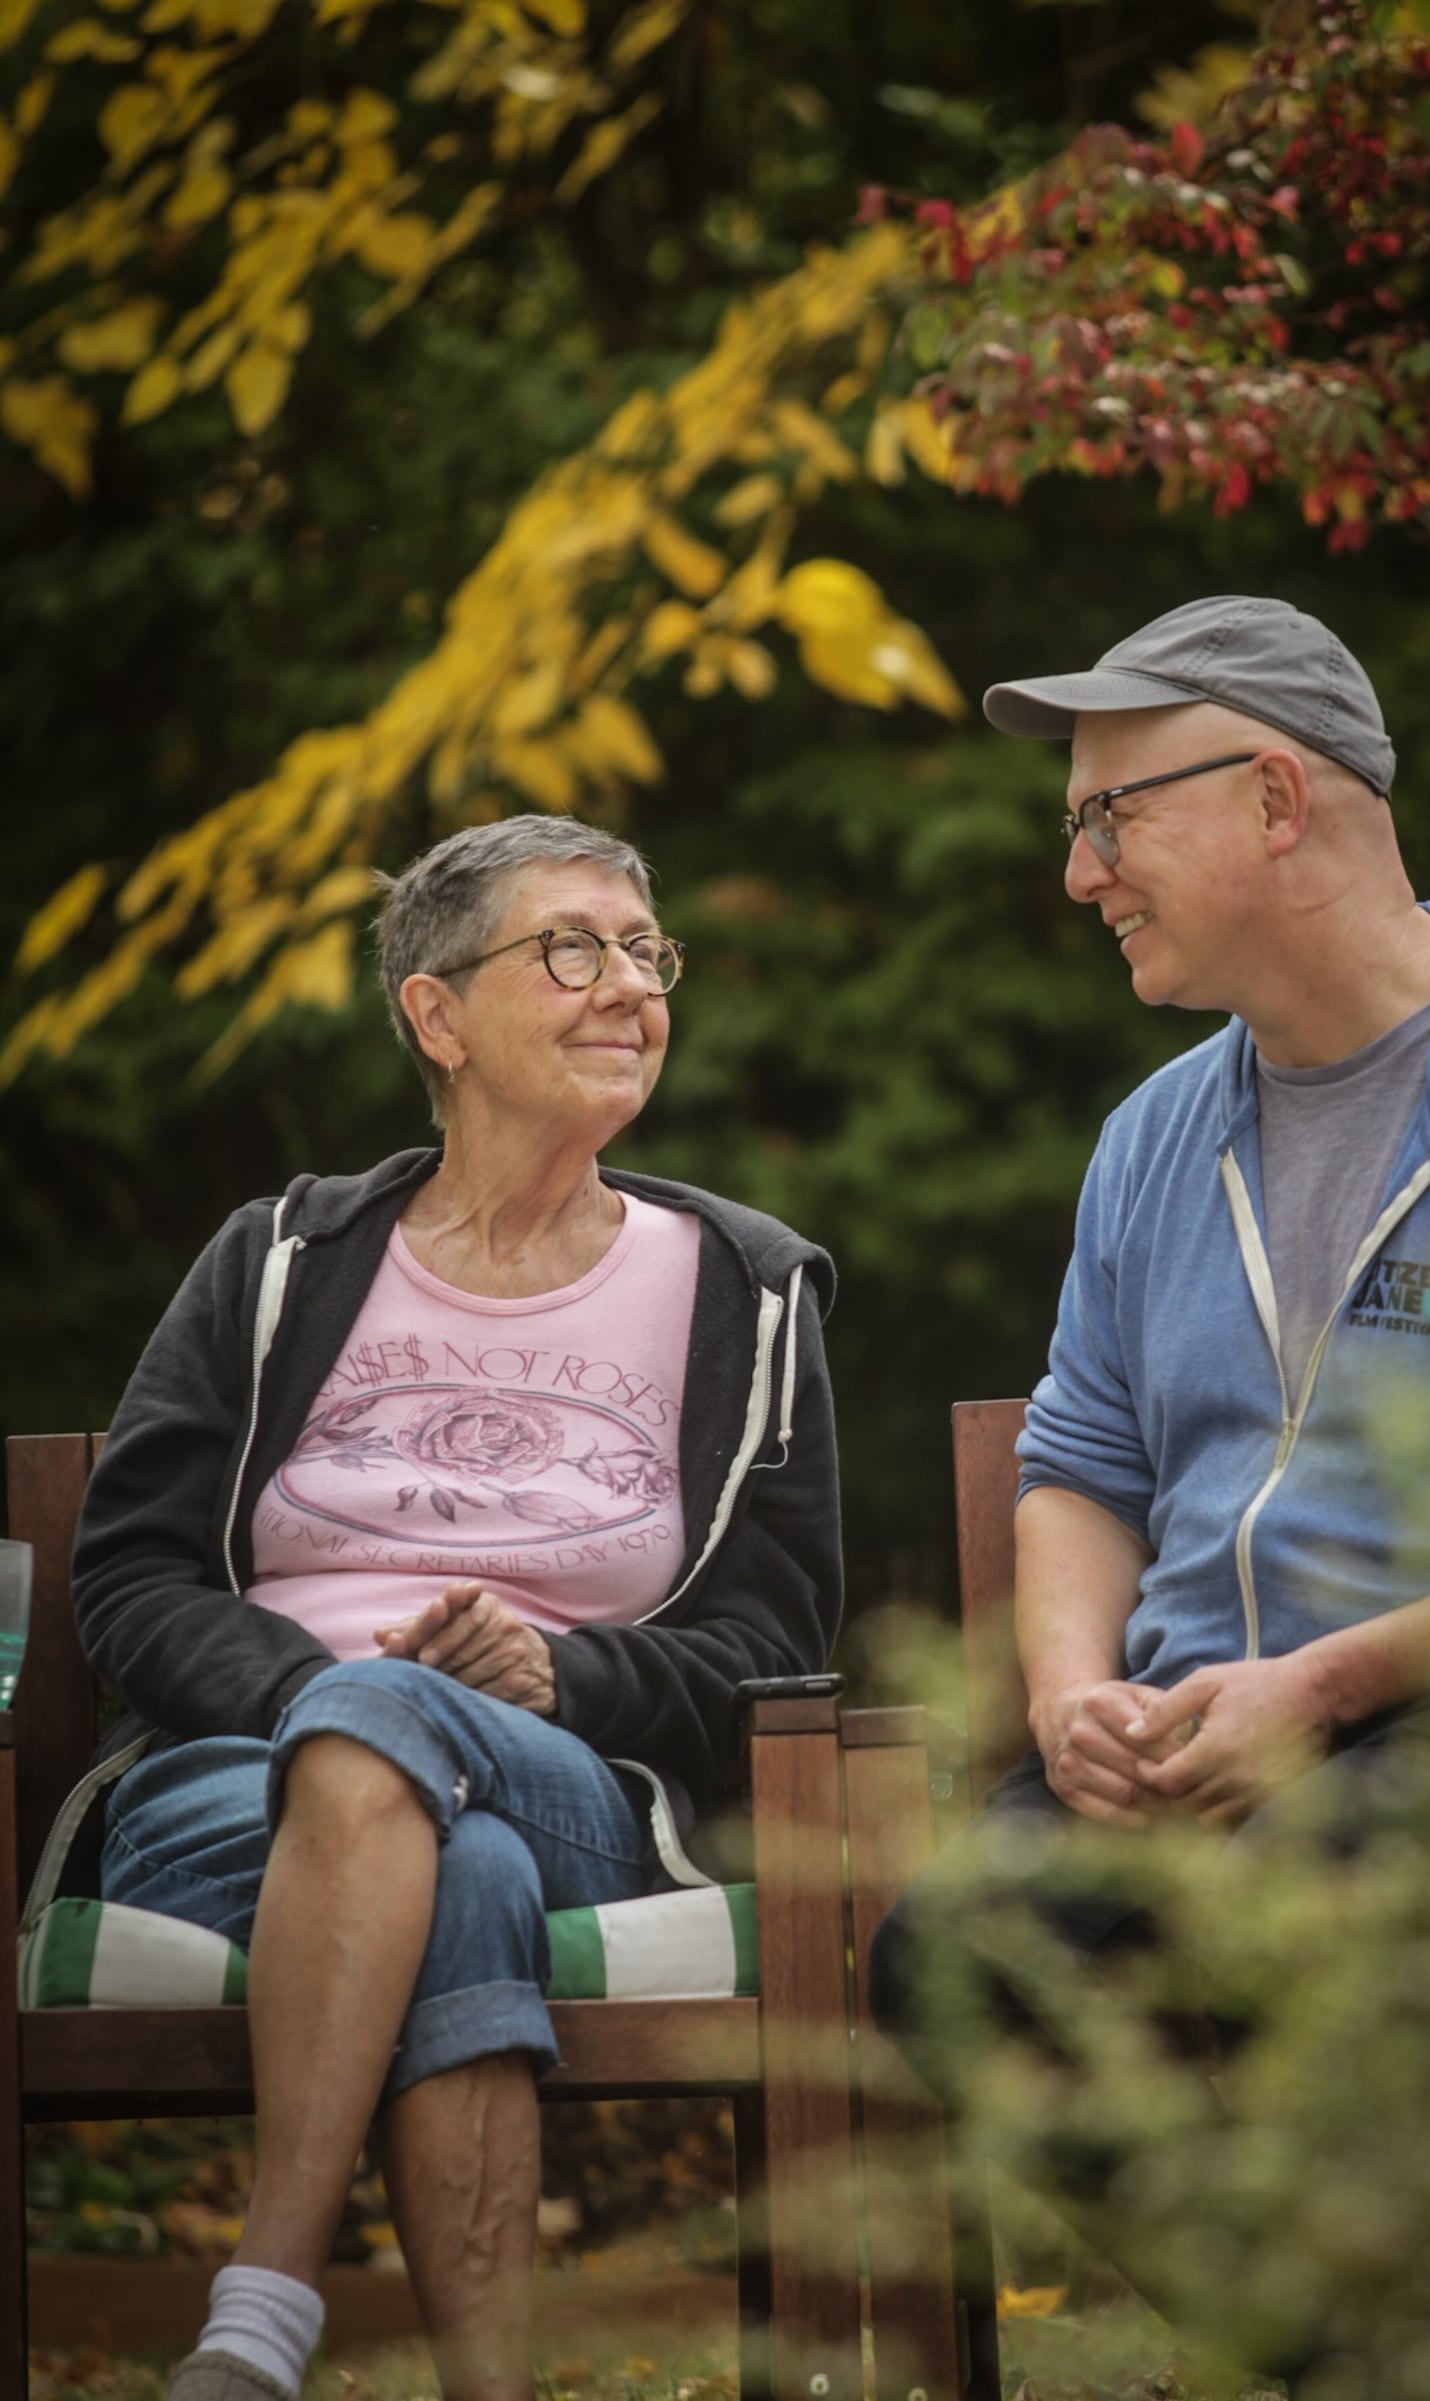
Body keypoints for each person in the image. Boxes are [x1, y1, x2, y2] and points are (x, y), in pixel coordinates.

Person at [870, 594, 1430, 2349]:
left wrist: (1326, 1689)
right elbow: (1080, 1464)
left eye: (1110, 817)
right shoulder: (1151, 1137)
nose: (1080, 873)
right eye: (1075, 828)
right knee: (951, 1956)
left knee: (1329, 1899)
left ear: (1279, 800)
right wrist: (1066, 1699)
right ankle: (1350, 2358)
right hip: (1189, 1746)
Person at [65, 815, 842, 2401]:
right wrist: (318, 1691)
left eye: (645, 950)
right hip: (237, 1779)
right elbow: (128, 1571)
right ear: (436, 1013)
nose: (626, 985)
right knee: (436, 1821)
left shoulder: (744, 1291)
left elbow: (775, 1642)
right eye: (572, 947)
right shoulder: (279, 1259)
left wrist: (565, 1677)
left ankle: (262, 2303)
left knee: (431, 1752)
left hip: (568, 1778)